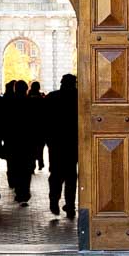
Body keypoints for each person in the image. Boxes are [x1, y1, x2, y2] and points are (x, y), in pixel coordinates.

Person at [46, 73, 78, 219]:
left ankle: (54, 200)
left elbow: (43, 120)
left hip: (55, 142)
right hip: (72, 142)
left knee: (56, 174)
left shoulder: (52, 97)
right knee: (71, 175)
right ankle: (70, 205)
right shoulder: (79, 97)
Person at [3, 79, 35, 204]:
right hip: (27, 140)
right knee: (26, 167)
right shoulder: (30, 103)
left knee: (14, 165)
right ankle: (25, 190)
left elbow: (5, 122)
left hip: (12, 140)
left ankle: (18, 190)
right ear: (26, 89)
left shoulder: (9, 103)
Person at [27, 80, 46, 170]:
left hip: (30, 126)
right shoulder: (42, 98)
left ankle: (32, 164)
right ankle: (40, 162)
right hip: (40, 126)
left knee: (31, 147)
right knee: (40, 146)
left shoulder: (27, 97)